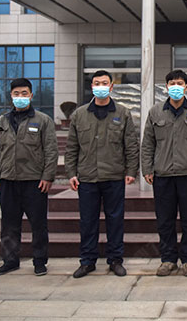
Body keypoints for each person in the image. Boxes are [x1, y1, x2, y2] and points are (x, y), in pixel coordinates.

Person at [65, 70, 139, 278]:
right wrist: (71, 173)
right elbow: (72, 147)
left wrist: (131, 170)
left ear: (111, 87)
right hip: (87, 177)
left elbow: (131, 145)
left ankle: (115, 260)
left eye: (104, 83)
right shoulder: (79, 115)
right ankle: (87, 261)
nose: (100, 87)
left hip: (114, 176)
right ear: (92, 87)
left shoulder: (122, 113)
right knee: (88, 221)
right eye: (96, 83)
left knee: (115, 220)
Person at [141, 69, 187, 277]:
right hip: (162, 175)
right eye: (172, 84)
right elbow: (148, 143)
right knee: (165, 220)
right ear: (166, 87)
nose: (176, 87)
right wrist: (147, 168)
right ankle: (168, 259)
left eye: (180, 83)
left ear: (186, 87)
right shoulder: (155, 112)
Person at [0, 78, 58, 276]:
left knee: (38, 224)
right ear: (11, 96)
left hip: (34, 181)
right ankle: (10, 261)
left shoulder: (43, 120)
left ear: (31, 95)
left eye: (24, 93)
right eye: (16, 94)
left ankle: (40, 261)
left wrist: (48, 176)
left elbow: (51, 151)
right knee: (9, 224)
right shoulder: (2, 121)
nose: (20, 97)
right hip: (8, 181)